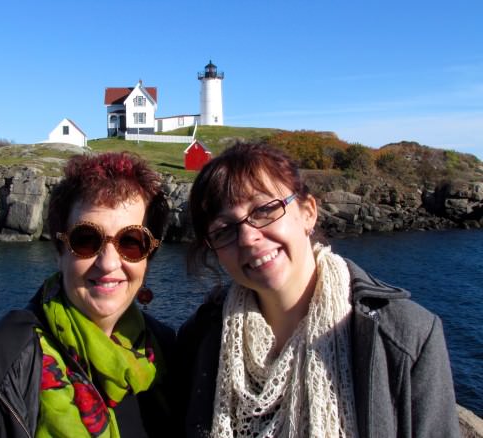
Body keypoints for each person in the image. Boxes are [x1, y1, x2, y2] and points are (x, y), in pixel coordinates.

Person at [177, 142, 460, 437]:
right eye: (224, 230)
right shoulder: (199, 338)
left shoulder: (406, 337)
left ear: (308, 213)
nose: (248, 238)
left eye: (264, 210)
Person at [0, 152, 175, 437]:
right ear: (58, 251)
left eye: (131, 242)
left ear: (149, 255)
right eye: (85, 239)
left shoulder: (167, 350)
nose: (108, 263)